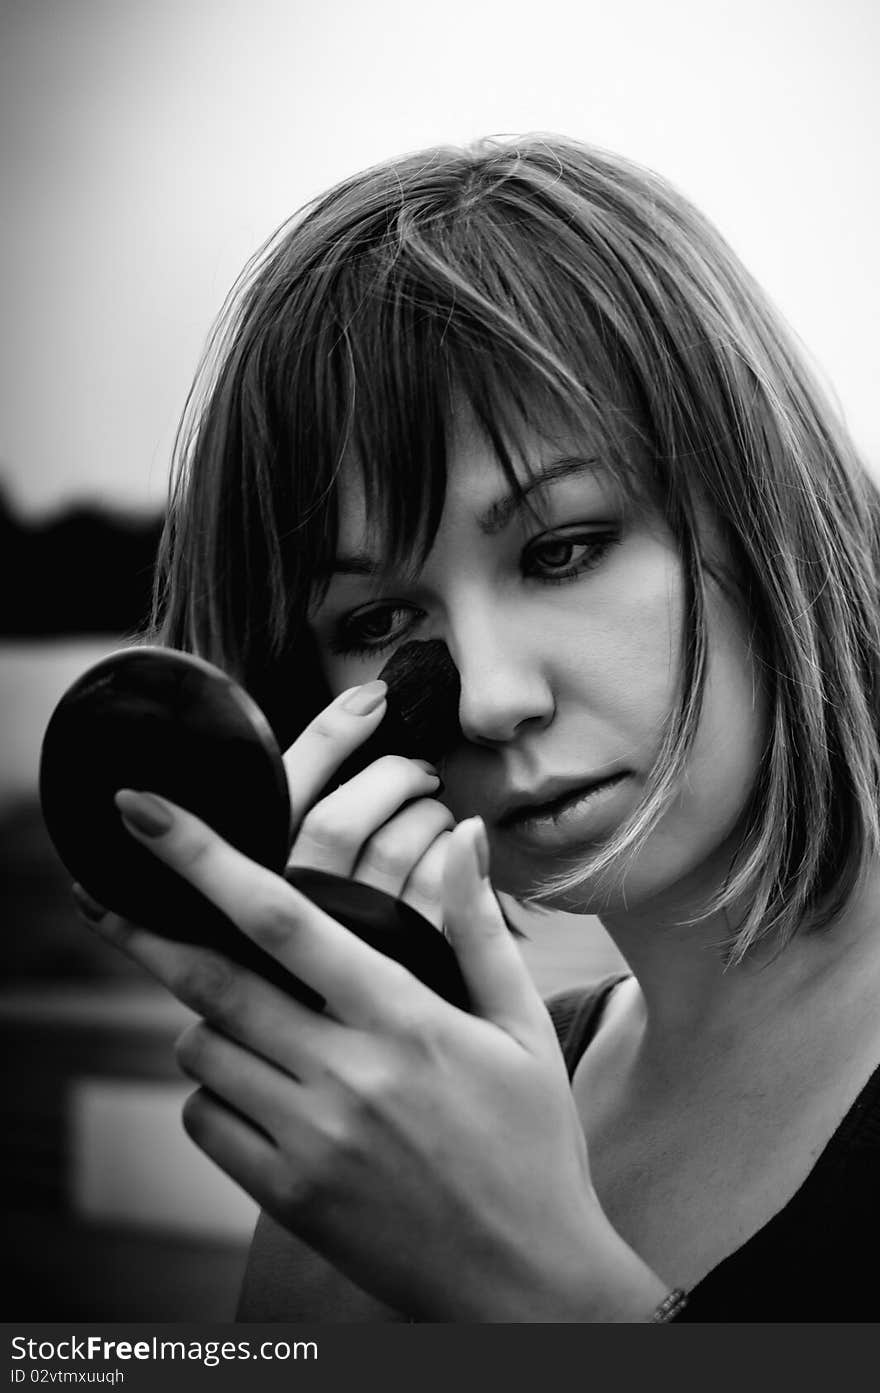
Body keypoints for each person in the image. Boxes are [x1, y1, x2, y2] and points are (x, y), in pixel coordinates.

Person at [74, 134, 880, 1321]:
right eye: (382, 617)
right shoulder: (425, 1124)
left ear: (763, 506)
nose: (493, 696)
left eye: (562, 550)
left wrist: (535, 1290)